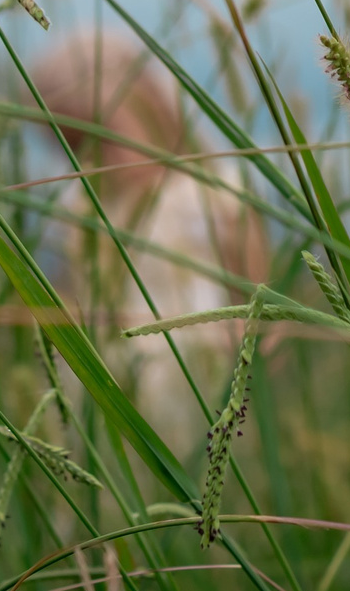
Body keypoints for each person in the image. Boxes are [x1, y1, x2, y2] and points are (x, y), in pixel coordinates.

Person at [30, 29, 266, 442]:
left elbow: (256, 287)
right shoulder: (82, 210)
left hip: (204, 379)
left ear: (150, 107)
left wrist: (253, 349)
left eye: (102, 135)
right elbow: (67, 293)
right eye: (74, 146)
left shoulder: (213, 192)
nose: (92, 158)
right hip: (111, 384)